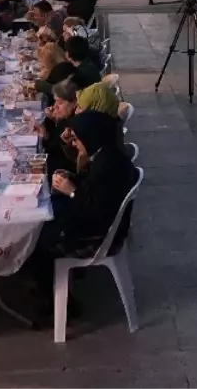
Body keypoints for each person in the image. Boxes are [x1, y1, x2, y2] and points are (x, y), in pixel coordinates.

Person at [29, 111, 139, 314]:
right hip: (95, 221)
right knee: (46, 212)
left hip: (95, 235)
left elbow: (96, 211)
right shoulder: (107, 155)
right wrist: (72, 180)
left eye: (77, 139)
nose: (75, 144)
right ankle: (48, 287)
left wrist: (71, 191)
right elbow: (93, 191)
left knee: (34, 239)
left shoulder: (107, 167)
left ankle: (58, 304)